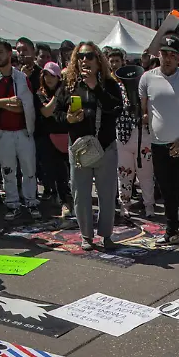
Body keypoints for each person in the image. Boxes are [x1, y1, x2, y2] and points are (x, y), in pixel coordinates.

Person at [139, 34, 179, 252]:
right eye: (164, 53)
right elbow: (143, 109)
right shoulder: (147, 78)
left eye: (172, 55)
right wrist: (144, 119)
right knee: (166, 193)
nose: (167, 58)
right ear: (159, 55)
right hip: (158, 145)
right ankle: (171, 232)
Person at [57, 42, 122, 250]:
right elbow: (56, 114)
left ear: (98, 59)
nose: (85, 60)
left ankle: (106, 235)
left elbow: (116, 109)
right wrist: (67, 118)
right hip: (79, 148)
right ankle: (86, 235)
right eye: (81, 56)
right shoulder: (68, 84)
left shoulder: (109, 84)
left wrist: (96, 87)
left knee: (107, 194)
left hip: (105, 147)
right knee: (81, 193)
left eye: (90, 56)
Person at [0, 38, 39, 219]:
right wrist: (5, 102)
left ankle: (31, 202)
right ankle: (12, 204)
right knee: (8, 170)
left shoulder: (21, 78)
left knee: (29, 169)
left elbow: (23, 105)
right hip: (2, 132)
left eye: (0, 52)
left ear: (8, 53)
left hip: (23, 131)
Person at [111, 49, 153, 221]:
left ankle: (149, 205)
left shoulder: (143, 86)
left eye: (117, 61)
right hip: (123, 136)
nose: (114, 64)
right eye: (111, 61)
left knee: (146, 174)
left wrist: (145, 115)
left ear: (123, 61)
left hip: (143, 135)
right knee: (124, 173)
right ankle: (124, 207)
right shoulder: (113, 87)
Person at [36, 61, 71, 220]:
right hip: (47, 137)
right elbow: (46, 112)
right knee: (51, 171)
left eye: (52, 75)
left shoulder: (67, 92)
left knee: (64, 172)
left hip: (65, 136)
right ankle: (57, 197)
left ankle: (66, 201)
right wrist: (57, 95)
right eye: (46, 75)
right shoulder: (40, 93)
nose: (48, 78)